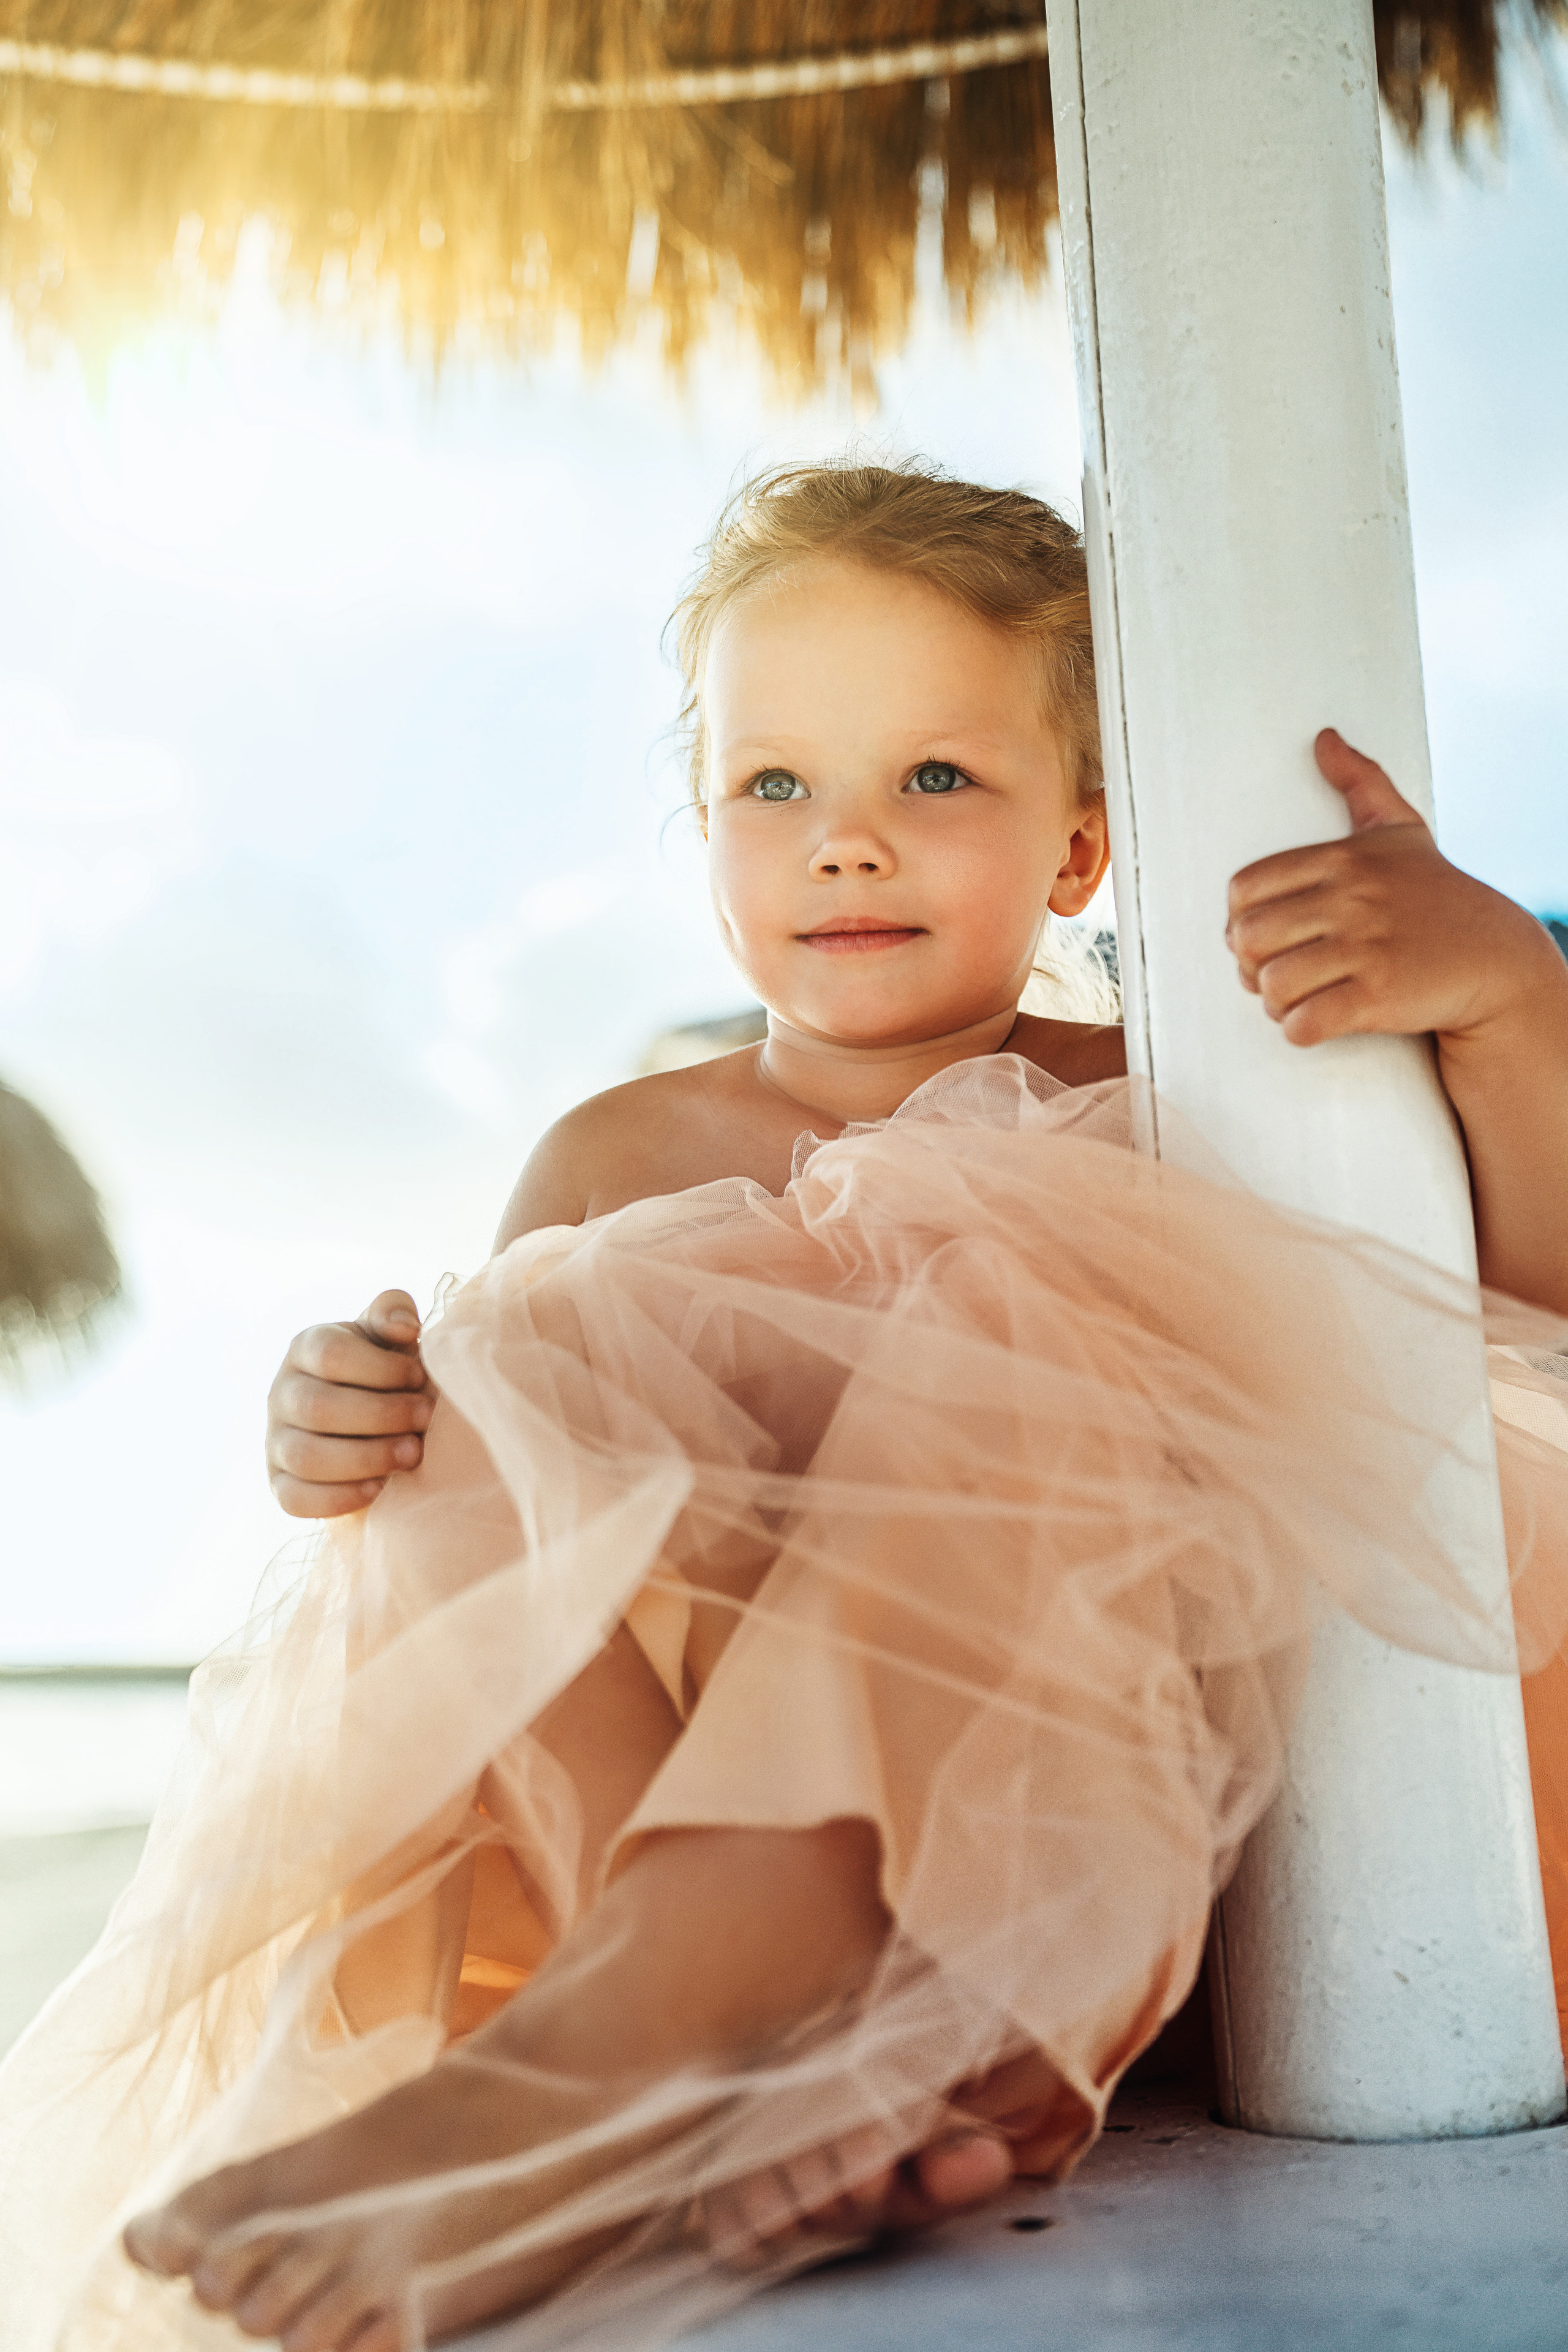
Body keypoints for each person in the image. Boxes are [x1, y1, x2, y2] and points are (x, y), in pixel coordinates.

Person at [6, 463, 1568, 2352]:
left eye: (934, 780)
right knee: (482, 1377)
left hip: (1069, 1874)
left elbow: (1488, 1323)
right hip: (624, 1863)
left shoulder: (1165, 1106)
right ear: (706, 828)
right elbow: (509, 1559)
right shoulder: (615, 1157)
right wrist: (340, 1427)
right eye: (777, 788)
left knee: (1016, 1304)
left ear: (1078, 853)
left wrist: (1511, 1000)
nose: (847, 843)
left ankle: (706, 2030)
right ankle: (724, 2040)